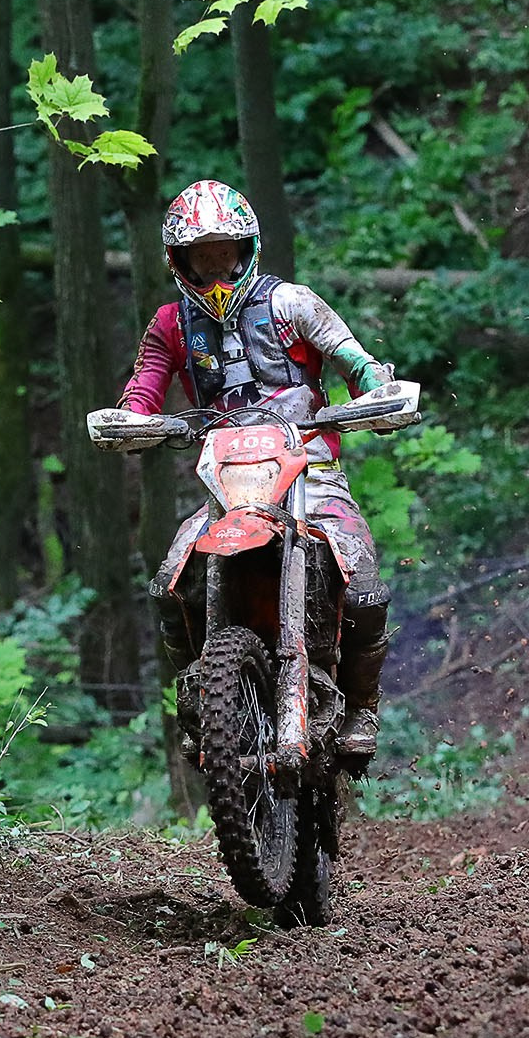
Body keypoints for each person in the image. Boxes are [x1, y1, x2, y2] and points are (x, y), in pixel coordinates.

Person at [118, 178, 394, 761]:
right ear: (180, 261)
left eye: (226, 255)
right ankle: (199, 698)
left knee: (365, 584)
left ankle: (362, 709)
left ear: (247, 250)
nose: (217, 270)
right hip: (227, 486)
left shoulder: (293, 303)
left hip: (311, 470)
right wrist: (129, 421)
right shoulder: (170, 325)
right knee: (170, 582)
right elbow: (143, 390)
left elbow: (355, 361)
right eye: (203, 258)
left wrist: (378, 393)